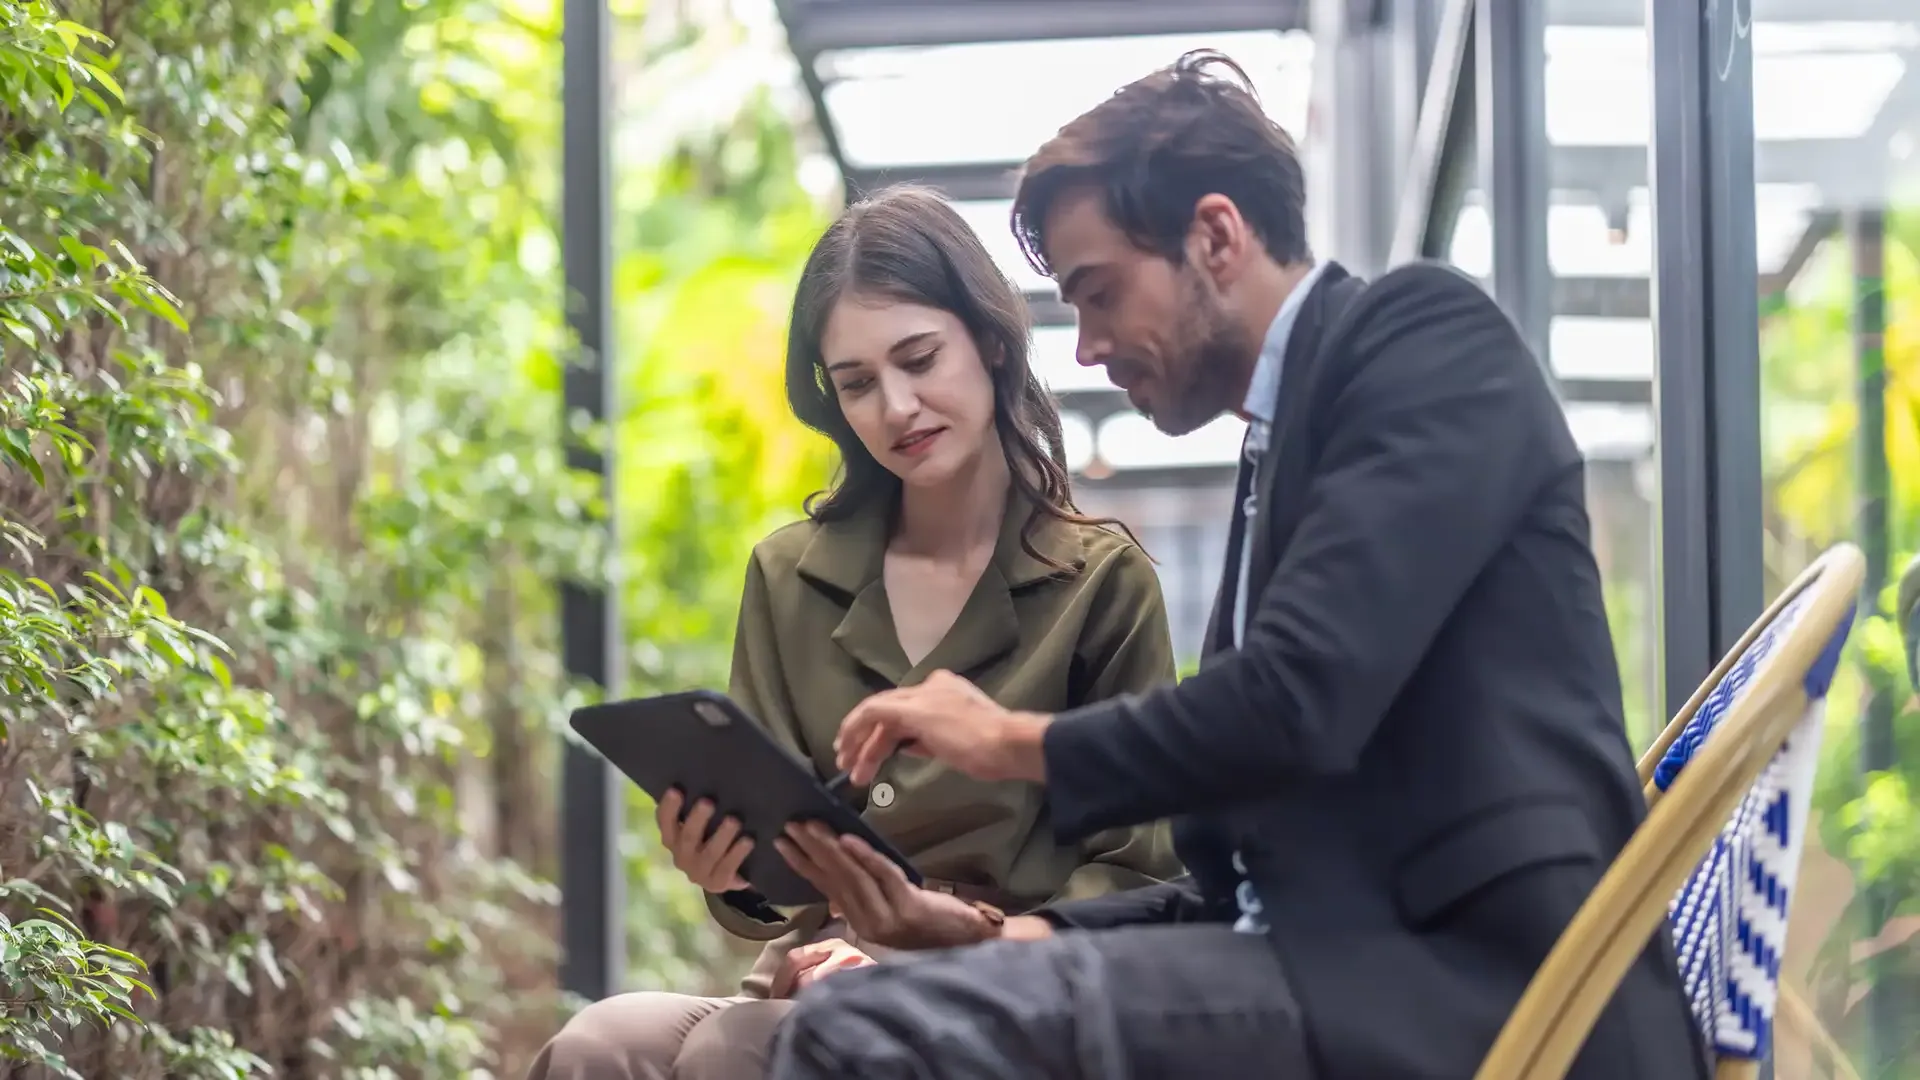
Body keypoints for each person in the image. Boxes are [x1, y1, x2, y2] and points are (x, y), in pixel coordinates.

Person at [764, 51, 1708, 1080]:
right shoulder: (1275, 452)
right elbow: (1237, 877)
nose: (1084, 348)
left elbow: (1298, 699)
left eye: (1100, 293)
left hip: (1487, 992)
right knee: (898, 1001)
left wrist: (1005, 740)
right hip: (1334, 971)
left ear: (1216, 236)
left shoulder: (1426, 340)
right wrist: (986, 935)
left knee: (865, 1033)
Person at [524, 184, 1182, 1080]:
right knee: (598, 1045)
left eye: (920, 359)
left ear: (990, 340)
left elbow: (1136, 874)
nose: (897, 408)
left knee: (730, 1057)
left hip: (1008, 988)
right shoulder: (792, 575)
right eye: (858, 384)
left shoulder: (1099, 584)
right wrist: (731, 872)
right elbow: (772, 874)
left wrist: (923, 948)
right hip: (814, 973)